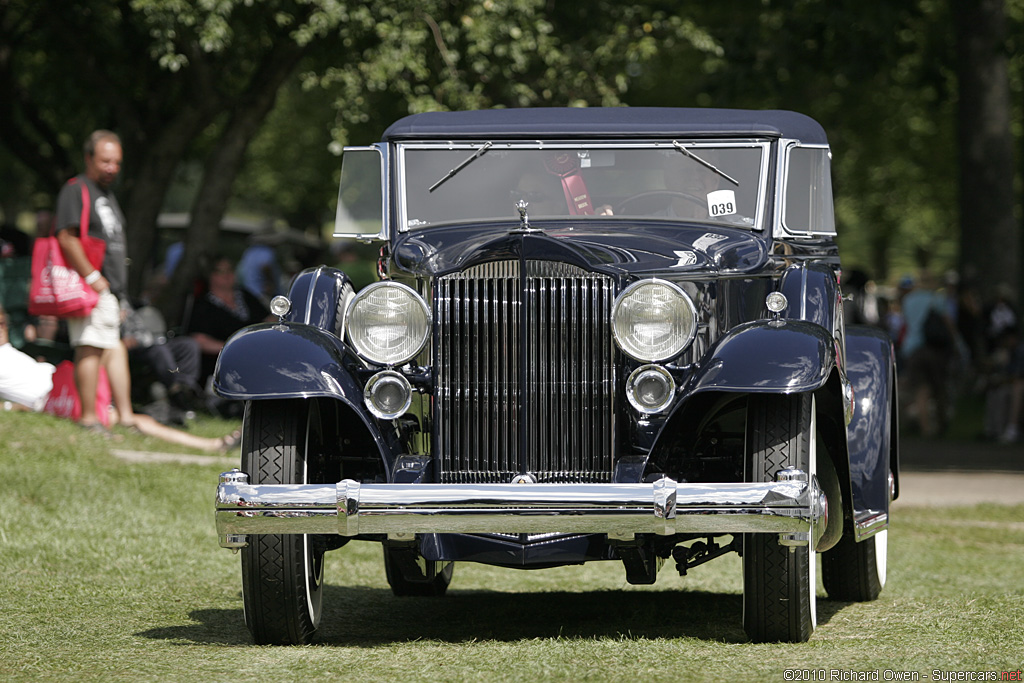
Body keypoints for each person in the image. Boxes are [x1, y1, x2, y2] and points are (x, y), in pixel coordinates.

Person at [0, 304, 239, 452]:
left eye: (2, 322)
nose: (2, 326)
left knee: (114, 345)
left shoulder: (8, 349)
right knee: (139, 420)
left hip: (65, 381)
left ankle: (126, 413)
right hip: (55, 397)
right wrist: (15, 406)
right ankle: (210, 445)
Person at [54, 130, 134, 435]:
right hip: (90, 288)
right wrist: (93, 278)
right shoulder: (76, 189)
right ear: (88, 158)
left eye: (116, 162)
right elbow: (66, 235)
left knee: (114, 347)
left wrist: (118, 292)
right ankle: (88, 419)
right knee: (90, 346)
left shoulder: (107, 195)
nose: (112, 167)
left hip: (111, 290)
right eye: (105, 161)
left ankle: (125, 418)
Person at [187, 255, 271, 389]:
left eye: (230, 270)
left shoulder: (245, 295)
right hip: (224, 361)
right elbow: (199, 340)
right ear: (211, 276)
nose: (227, 275)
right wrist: (232, 349)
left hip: (259, 351)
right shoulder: (203, 305)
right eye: (221, 271)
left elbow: (268, 318)